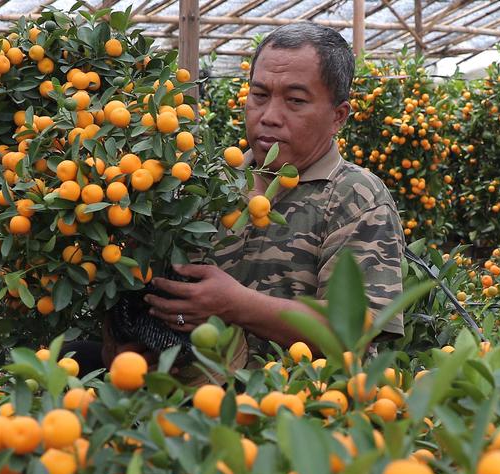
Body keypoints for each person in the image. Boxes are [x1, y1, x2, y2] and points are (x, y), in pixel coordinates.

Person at [141, 22, 405, 360]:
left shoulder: (356, 197)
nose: (269, 116)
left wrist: (236, 306)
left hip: (299, 403)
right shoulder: (208, 185)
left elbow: (355, 330)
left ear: (338, 116)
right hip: (192, 399)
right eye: (260, 95)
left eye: (295, 100)